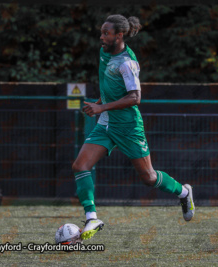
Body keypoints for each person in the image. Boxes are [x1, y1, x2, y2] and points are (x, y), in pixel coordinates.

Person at [72, 14, 195, 240]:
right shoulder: (104, 53)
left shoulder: (128, 63)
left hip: (128, 127)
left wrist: (102, 107)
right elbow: (110, 85)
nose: (101, 37)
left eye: (106, 33)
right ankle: (92, 217)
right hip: (107, 123)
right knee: (80, 165)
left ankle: (184, 192)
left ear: (119, 35)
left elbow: (135, 97)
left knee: (148, 177)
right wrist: (100, 104)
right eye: (101, 32)